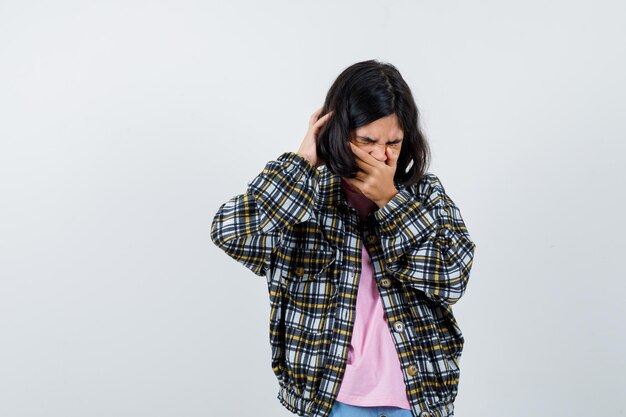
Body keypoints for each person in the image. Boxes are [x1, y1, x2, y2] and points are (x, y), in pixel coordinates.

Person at [210, 59, 476, 417]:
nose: (382, 156)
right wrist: (302, 161)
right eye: (367, 140)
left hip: (419, 399)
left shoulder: (425, 196)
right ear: (338, 133)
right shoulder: (305, 201)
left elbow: (452, 279)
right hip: (332, 401)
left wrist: (390, 203)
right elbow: (230, 233)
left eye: (393, 142)